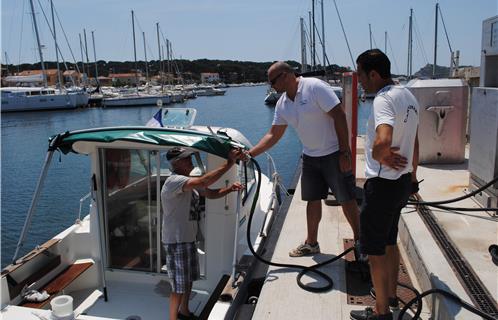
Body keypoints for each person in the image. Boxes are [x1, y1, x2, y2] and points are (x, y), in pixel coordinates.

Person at [246, 61, 363, 259]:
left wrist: (345, 152)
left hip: (334, 153)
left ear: (285, 75)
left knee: (346, 199)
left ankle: (361, 241)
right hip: (310, 156)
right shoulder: (282, 103)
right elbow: (273, 135)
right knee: (312, 199)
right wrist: (250, 154)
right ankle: (312, 243)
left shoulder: (314, 87)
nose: (271, 86)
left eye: (272, 81)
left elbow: (339, 115)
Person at [350, 49, 419, 320]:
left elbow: (382, 141)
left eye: (361, 75)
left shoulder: (383, 99)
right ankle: (390, 298)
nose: (360, 80)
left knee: (375, 251)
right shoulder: (409, 96)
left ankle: (380, 314)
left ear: (374, 74)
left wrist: (383, 155)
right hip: (402, 184)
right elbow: (414, 140)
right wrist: (412, 176)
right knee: (390, 242)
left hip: (382, 186)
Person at [161, 147, 244, 320]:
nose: (190, 161)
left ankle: (184, 311)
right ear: (176, 163)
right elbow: (204, 182)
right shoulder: (174, 181)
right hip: (176, 242)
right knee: (178, 286)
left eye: (190, 158)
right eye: (186, 159)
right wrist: (230, 163)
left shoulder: (188, 182)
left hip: (187, 238)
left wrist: (229, 190)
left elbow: (210, 193)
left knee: (188, 279)